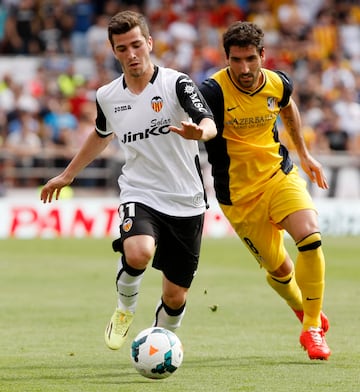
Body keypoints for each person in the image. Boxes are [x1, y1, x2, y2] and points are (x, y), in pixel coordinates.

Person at [40, 10, 216, 350]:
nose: (131, 54)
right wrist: (67, 174)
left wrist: (201, 132)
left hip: (186, 199)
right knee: (138, 253)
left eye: (137, 45)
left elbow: (208, 121)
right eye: (122, 48)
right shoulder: (108, 95)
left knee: (175, 295)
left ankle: (160, 344)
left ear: (149, 43)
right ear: (114, 51)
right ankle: (125, 309)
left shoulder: (176, 83)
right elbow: (101, 134)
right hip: (140, 192)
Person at [199, 21, 331, 360]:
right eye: (235, 60)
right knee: (281, 271)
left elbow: (288, 106)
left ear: (262, 55)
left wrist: (303, 154)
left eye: (250, 59)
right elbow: (205, 125)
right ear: (226, 58)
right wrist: (198, 133)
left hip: (278, 175)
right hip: (238, 195)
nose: (243, 68)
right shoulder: (212, 91)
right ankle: (302, 308)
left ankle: (312, 329)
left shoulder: (277, 82)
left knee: (310, 237)